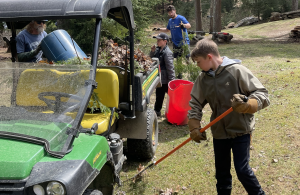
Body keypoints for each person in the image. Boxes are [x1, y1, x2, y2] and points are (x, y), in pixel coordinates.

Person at [187, 39, 270, 195]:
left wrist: (248, 105)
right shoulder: (203, 79)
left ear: (209, 57)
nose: (197, 65)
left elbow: (262, 95)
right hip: (219, 132)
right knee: (222, 173)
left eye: (198, 62)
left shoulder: (237, 71)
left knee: (242, 170)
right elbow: (196, 103)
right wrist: (194, 126)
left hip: (240, 130)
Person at [150, 33, 175, 117]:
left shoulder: (167, 53)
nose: (157, 42)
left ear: (165, 41)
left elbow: (170, 68)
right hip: (160, 77)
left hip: (166, 79)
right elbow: (151, 60)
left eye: (159, 40)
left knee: (171, 96)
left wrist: (172, 81)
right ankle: (157, 111)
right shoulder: (158, 50)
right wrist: (152, 52)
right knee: (159, 95)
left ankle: (174, 111)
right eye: (157, 40)